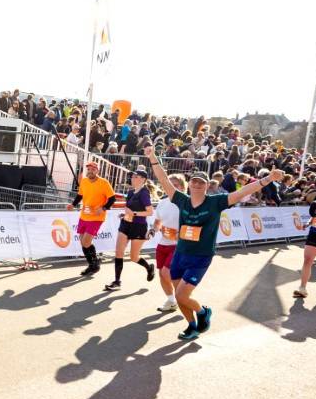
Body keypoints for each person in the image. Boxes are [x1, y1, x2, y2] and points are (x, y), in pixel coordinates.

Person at [145, 144, 284, 340]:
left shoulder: (215, 202)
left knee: (183, 295)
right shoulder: (181, 199)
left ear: (206, 185)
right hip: (180, 253)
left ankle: (203, 312)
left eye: (201, 182)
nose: (196, 185)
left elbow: (242, 192)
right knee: (179, 295)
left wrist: (268, 178)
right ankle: (192, 326)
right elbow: (163, 179)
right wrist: (152, 157)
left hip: (201, 257)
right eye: (194, 181)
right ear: (189, 184)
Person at [105, 168, 156, 291]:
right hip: (125, 224)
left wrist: (134, 214)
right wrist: (125, 215)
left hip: (138, 227)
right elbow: (129, 209)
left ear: (143, 179)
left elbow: (150, 212)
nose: (132, 178)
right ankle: (117, 282)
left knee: (134, 257)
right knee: (119, 252)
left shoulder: (144, 193)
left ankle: (149, 267)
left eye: (135, 177)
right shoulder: (131, 192)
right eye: (132, 176)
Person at [69, 160, 116, 276]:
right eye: (89, 169)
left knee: (86, 242)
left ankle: (94, 263)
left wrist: (104, 208)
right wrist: (73, 204)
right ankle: (93, 264)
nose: (90, 171)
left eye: (93, 169)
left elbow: (112, 199)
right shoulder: (84, 181)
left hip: (96, 217)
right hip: (84, 215)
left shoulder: (104, 183)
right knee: (83, 242)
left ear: (97, 171)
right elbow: (80, 195)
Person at [151, 174, 186, 312]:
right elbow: (157, 222)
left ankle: (183, 296)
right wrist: (153, 230)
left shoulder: (187, 202)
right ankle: (171, 301)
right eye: (168, 184)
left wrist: (180, 234)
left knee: (167, 272)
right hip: (163, 244)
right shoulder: (162, 203)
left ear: (182, 187)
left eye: (175, 185)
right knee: (161, 274)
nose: (170, 187)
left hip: (178, 245)